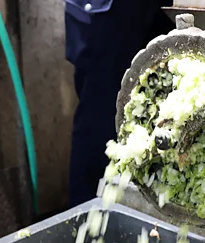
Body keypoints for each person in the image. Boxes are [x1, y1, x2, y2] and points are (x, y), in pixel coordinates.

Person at [65, 0, 173, 207]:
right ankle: (89, 223)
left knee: (160, 109)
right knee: (100, 117)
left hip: (159, 7)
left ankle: (151, 219)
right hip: (109, 9)